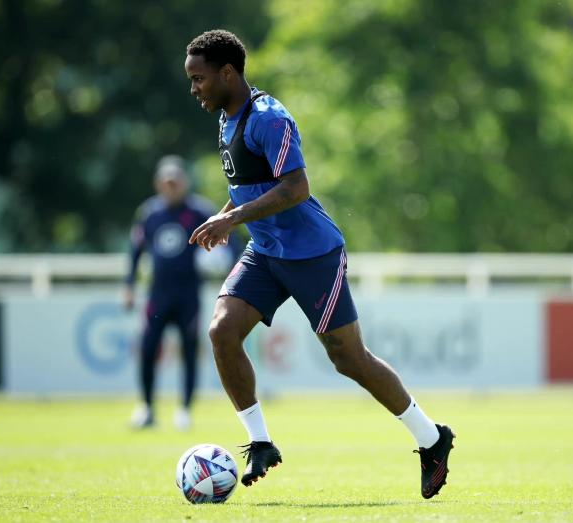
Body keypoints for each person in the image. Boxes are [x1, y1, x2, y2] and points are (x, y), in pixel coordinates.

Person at [184, 30, 455, 498]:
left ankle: (432, 438)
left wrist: (232, 219)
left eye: (199, 79)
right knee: (222, 331)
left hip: (312, 255)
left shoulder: (269, 118)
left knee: (348, 359)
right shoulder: (227, 119)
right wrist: (227, 216)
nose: (194, 89)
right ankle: (260, 441)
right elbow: (249, 186)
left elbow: (296, 188)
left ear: (227, 73)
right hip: (265, 252)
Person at [124, 155, 224, 431]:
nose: (171, 187)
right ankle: (146, 407)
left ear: (185, 182)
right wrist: (129, 285)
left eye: (175, 182)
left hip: (188, 293)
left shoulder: (200, 212)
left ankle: (185, 409)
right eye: (166, 183)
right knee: (148, 348)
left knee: (189, 350)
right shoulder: (150, 213)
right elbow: (136, 251)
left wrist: (222, 263)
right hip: (158, 294)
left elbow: (227, 247)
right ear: (158, 184)